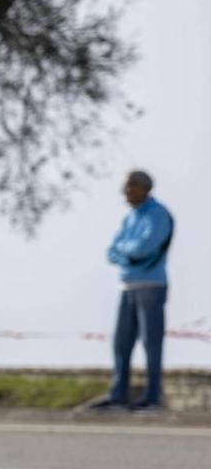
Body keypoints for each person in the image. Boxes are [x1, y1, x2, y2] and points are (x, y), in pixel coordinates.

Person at [88, 169, 174, 412]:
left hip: (151, 286)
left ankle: (152, 397)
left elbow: (144, 248)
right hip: (127, 286)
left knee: (151, 343)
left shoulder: (158, 215)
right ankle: (118, 396)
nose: (125, 192)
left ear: (143, 187)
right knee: (121, 343)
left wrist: (125, 251)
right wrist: (127, 251)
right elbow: (113, 250)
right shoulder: (131, 217)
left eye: (129, 187)